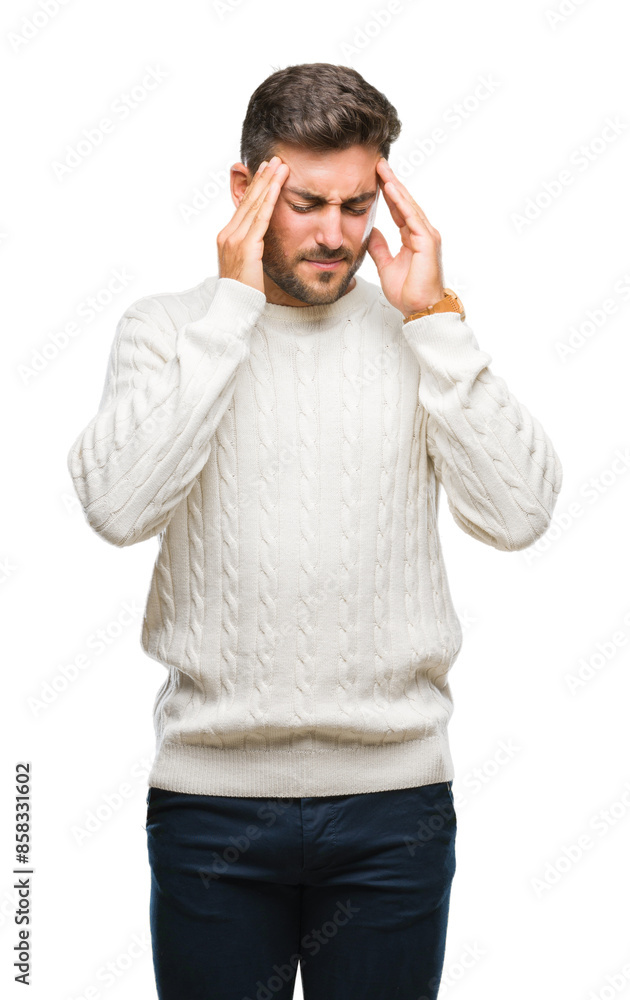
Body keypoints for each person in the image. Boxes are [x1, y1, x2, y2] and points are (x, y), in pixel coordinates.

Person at [67, 62, 563, 1000]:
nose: (336, 234)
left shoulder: (419, 332)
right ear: (245, 191)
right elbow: (118, 508)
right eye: (306, 203)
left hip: (395, 809)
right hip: (213, 808)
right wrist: (231, 311)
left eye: (358, 203)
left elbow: (521, 515)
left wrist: (437, 320)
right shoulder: (169, 331)